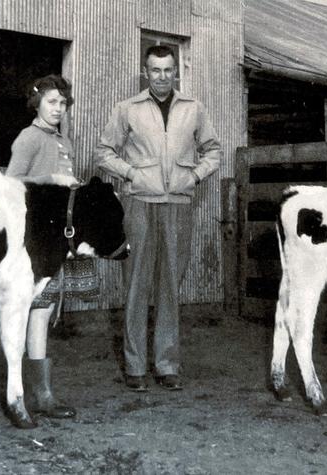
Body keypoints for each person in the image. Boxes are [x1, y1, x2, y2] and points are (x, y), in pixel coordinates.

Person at [95, 45, 222, 392]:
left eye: (168, 70)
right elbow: (103, 152)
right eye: (155, 70)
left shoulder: (193, 109)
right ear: (145, 73)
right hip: (139, 205)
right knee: (136, 284)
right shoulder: (127, 109)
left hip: (179, 206)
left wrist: (194, 177)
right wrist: (131, 174)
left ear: (176, 72)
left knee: (170, 284)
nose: (162, 77)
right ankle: (135, 366)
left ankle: (167, 365)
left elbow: (214, 151)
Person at [6, 74, 78, 418]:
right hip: (28, 239)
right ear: (37, 104)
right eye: (52, 102)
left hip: (53, 240)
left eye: (63, 104)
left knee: (44, 310)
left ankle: (42, 394)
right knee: (27, 310)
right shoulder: (28, 138)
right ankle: (25, 391)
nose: (58, 109)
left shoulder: (64, 141)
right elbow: (10, 183)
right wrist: (48, 180)